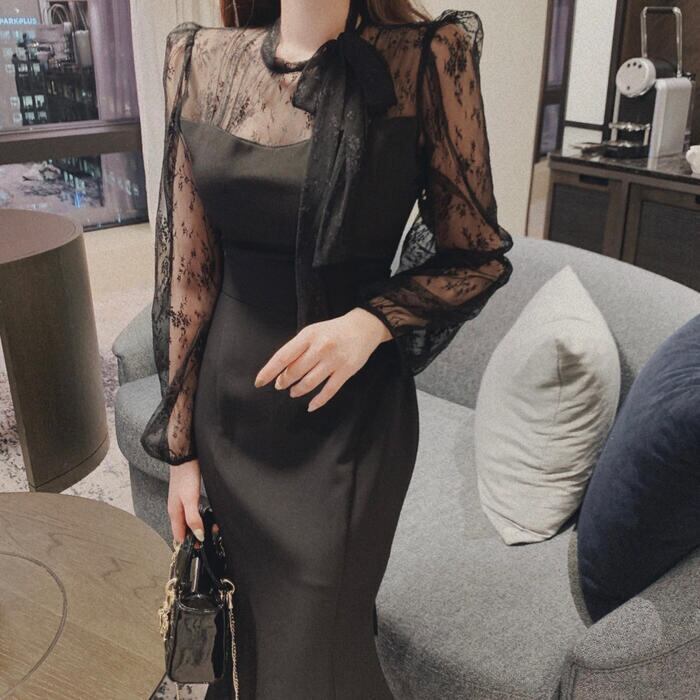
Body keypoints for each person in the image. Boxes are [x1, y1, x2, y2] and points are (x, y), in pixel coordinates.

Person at [141, 0, 514, 697]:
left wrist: (370, 322)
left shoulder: (428, 58)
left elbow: (477, 256)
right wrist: (183, 453)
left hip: (350, 421)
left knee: (321, 649)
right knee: (248, 640)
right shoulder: (197, 60)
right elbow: (189, 279)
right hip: (232, 413)